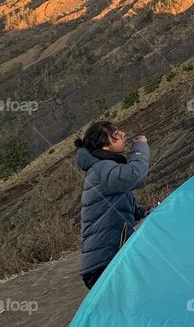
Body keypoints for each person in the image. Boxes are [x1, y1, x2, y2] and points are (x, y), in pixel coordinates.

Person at [76, 121, 150, 289]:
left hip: (103, 262)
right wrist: (140, 146)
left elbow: (121, 206)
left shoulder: (104, 168)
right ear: (105, 146)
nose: (123, 134)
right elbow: (136, 175)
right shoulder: (103, 167)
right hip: (105, 263)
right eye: (116, 134)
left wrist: (145, 211)